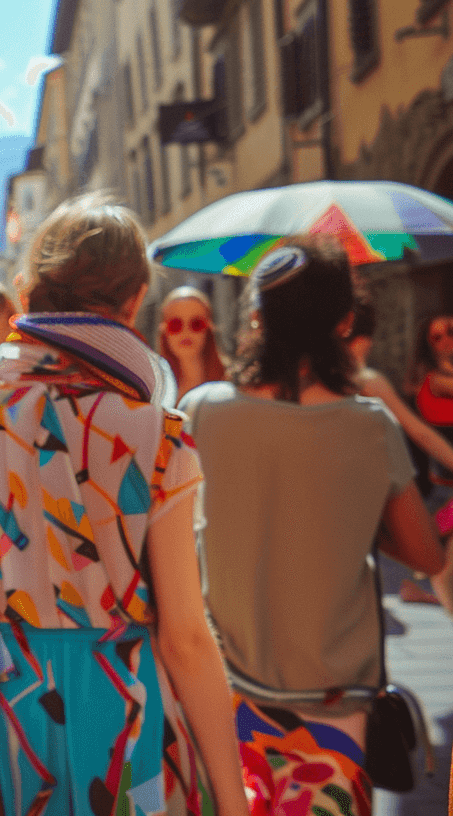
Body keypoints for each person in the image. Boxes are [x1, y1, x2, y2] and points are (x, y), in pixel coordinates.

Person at [0, 194, 249, 816]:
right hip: (129, 730)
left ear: (25, 295)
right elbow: (185, 637)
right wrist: (233, 800)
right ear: (133, 303)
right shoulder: (160, 435)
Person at [182, 238, 444, 816]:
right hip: (333, 705)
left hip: (223, 696)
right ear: (345, 321)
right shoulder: (368, 426)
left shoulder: (200, 410)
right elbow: (425, 556)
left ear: (255, 318)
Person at [347, 302, 453, 608]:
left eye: (452, 332)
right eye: (437, 336)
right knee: (434, 556)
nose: (447, 340)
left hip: (396, 487)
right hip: (438, 480)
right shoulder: (424, 379)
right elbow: (421, 433)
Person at [157, 285, 227, 403]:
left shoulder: (230, 380)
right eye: (175, 324)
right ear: (164, 331)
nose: (186, 332)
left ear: (208, 329)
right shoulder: (153, 385)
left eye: (196, 324)